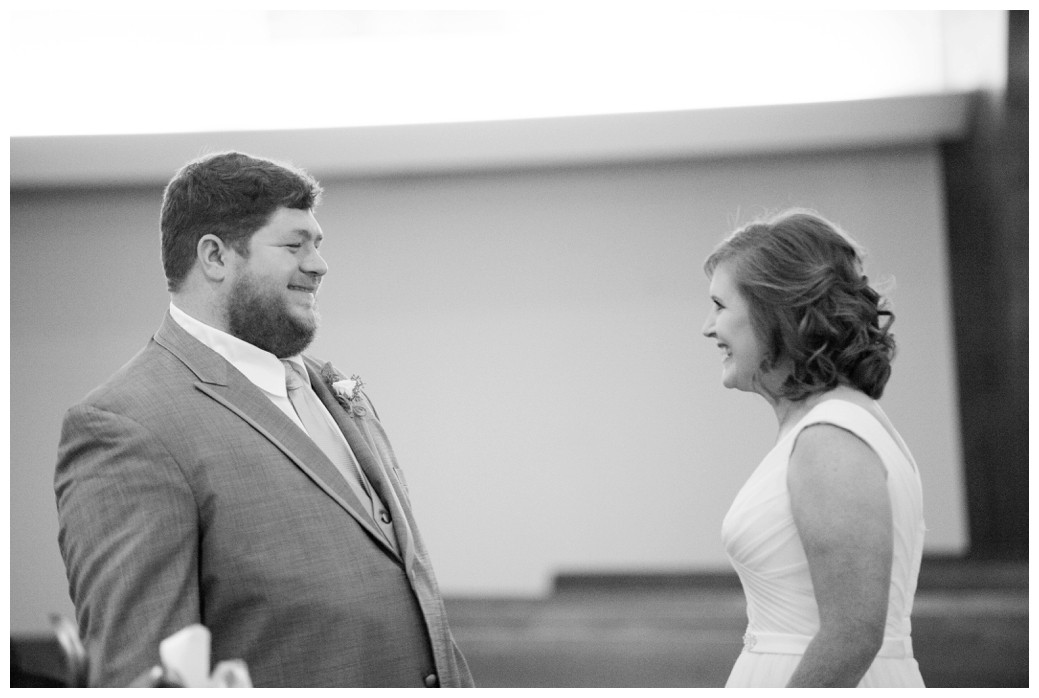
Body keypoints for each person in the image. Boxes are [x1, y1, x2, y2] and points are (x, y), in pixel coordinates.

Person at [54, 151, 474, 688]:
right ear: (215, 256)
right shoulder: (127, 426)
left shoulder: (329, 387)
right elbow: (141, 668)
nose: (320, 264)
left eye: (318, 245)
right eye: (294, 245)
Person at [701, 209, 926, 687]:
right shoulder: (821, 425)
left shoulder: (831, 436)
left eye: (720, 306)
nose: (708, 327)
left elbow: (853, 634)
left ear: (773, 312)